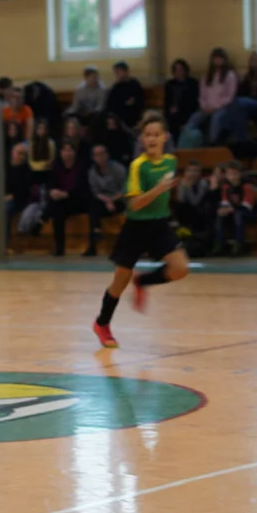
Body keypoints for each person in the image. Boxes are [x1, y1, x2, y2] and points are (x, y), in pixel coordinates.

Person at [93, 112, 189, 349]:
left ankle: (143, 281)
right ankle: (102, 324)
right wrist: (158, 190)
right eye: (147, 135)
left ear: (164, 137)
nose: (152, 138)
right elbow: (134, 203)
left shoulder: (171, 161)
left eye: (156, 134)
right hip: (135, 227)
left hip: (159, 224)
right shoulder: (138, 166)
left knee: (180, 268)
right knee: (120, 279)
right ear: (142, 140)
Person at [214, 161, 255, 257]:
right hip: (233, 211)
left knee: (238, 214)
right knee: (220, 214)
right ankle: (219, 243)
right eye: (229, 174)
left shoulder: (246, 186)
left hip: (247, 212)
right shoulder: (226, 186)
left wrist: (232, 209)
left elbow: (247, 204)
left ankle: (239, 244)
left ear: (240, 174)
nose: (232, 176)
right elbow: (225, 201)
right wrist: (223, 209)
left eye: (234, 173)